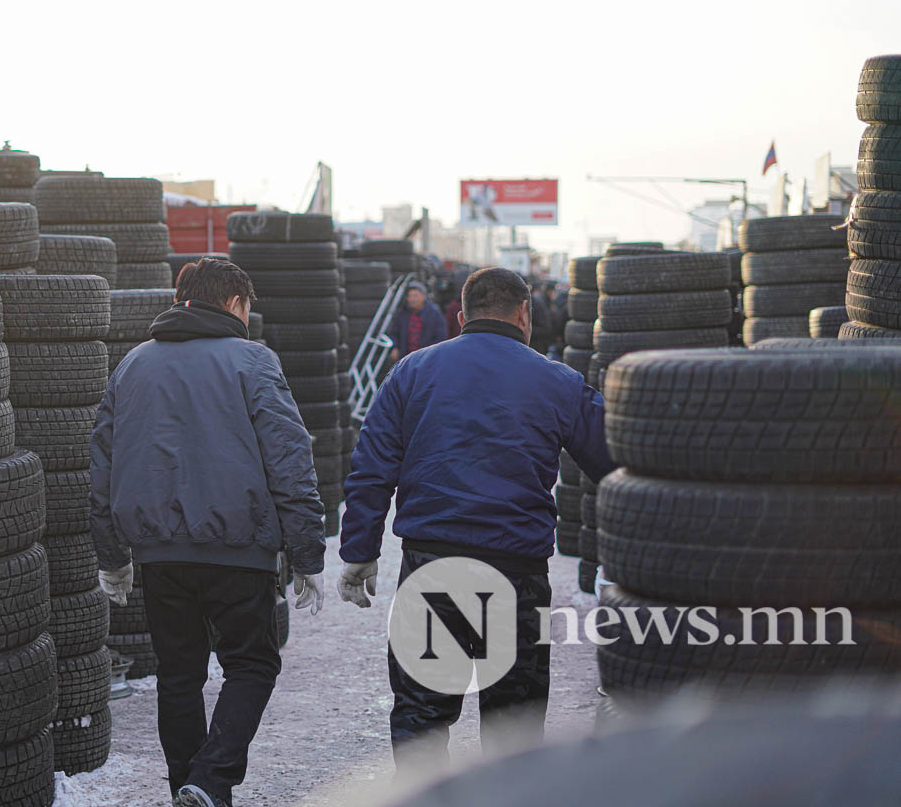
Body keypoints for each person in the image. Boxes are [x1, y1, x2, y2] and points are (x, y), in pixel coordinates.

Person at [337, 267, 616, 764]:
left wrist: (360, 552)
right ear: (524, 313)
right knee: (514, 726)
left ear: (462, 316)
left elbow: (371, 466)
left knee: (422, 717)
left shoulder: (411, 372)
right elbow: (614, 465)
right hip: (515, 574)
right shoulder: (557, 380)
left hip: (432, 568)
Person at [89, 257, 327, 807]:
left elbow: (101, 464)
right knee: (253, 663)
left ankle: (186, 788)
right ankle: (211, 779)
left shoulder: (132, 365)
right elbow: (290, 461)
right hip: (238, 551)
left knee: (178, 676)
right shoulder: (253, 361)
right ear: (236, 304)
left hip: (158, 555)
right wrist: (308, 552)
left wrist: (112, 555)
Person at [385, 281, 447, 362]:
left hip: (426, 358)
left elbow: (441, 337)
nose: (412, 299)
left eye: (415, 296)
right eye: (409, 296)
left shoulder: (434, 313)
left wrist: (430, 354)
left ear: (424, 296)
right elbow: (393, 333)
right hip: (405, 358)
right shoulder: (402, 313)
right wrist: (395, 347)